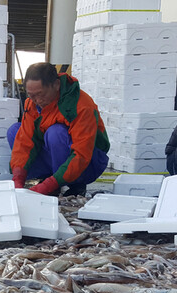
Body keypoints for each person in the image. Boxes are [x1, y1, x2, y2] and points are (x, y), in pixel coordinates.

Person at [8, 62, 109, 196]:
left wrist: (49, 185)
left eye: (40, 94)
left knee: (56, 133)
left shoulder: (81, 105)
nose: (36, 100)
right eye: (31, 95)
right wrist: (18, 178)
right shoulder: (31, 104)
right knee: (15, 131)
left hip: (89, 163)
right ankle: (49, 178)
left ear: (56, 85)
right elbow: (25, 142)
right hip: (55, 159)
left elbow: (82, 153)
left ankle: (75, 185)